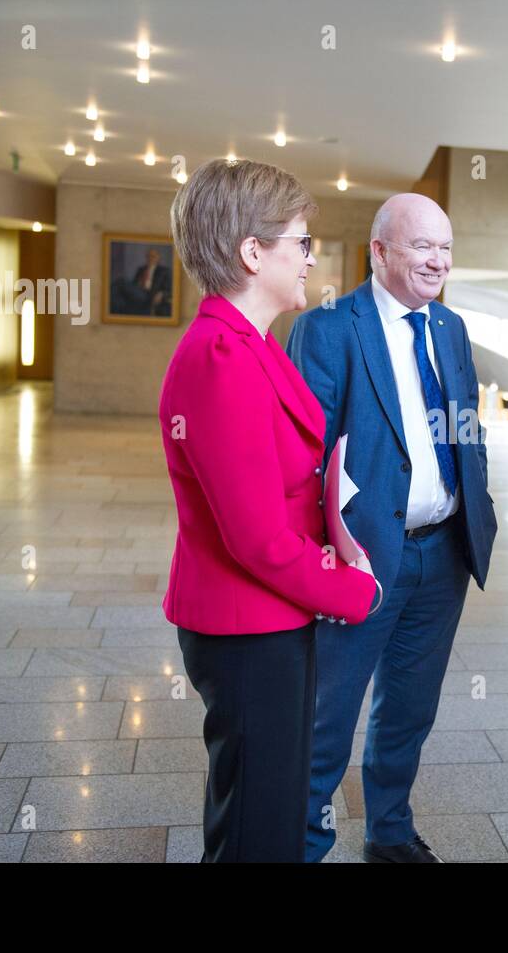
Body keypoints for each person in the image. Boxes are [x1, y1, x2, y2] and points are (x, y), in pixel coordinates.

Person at [159, 158, 380, 862]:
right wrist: (352, 588)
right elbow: (254, 537)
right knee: (258, 831)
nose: (312, 257)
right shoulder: (221, 357)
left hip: (268, 617)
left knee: (264, 813)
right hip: (245, 624)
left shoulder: (249, 345)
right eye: (302, 242)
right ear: (253, 253)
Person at [287, 193, 497, 863]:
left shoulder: (451, 328)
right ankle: (305, 842)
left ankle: (390, 831)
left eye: (445, 247)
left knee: (409, 709)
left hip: (443, 556)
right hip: (363, 561)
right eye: (421, 246)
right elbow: (302, 458)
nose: (438, 260)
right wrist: (323, 556)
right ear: (379, 252)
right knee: (328, 716)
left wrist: (475, 501)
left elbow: (466, 430)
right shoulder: (330, 328)